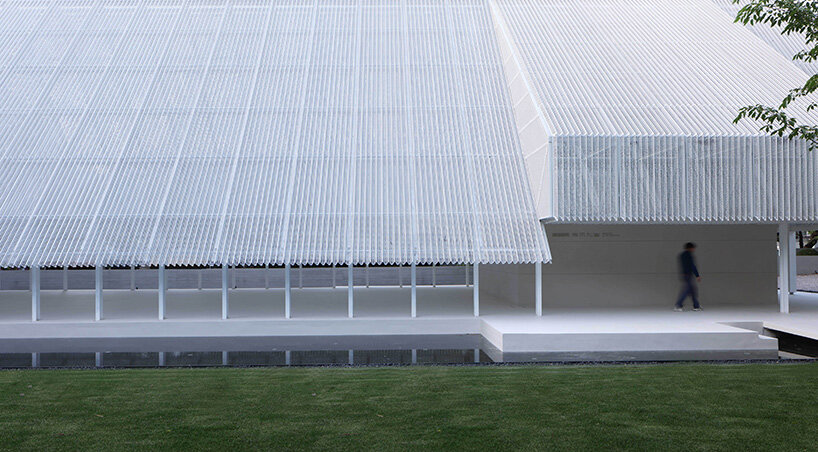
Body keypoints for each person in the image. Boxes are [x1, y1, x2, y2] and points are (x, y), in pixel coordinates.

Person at [674, 242, 702, 311]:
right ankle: (678, 305)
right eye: (693, 248)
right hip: (688, 275)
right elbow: (692, 266)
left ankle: (696, 306)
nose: (693, 249)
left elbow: (684, 266)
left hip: (684, 275)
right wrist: (697, 275)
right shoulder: (689, 255)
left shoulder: (682, 255)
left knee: (692, 291)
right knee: (687, 291)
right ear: (690, 248)